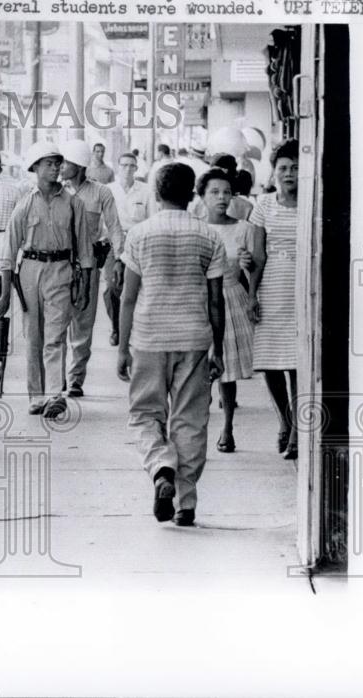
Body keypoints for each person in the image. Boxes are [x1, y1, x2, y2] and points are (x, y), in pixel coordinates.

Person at [117, 162, 226, 527]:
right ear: (192, 194)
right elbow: (216, 301)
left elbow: (128, 297)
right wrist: (219, 348)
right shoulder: (209, 236)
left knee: (146, 414)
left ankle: (160, 465)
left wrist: (121, 347)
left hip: (149, 337)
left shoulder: (139, 234)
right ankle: (186, 502)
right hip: (194, 337)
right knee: (190, 419)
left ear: (156, 194)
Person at [0, 141, 93, 418]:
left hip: (61, 271)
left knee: (55, 336)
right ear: (35, 167)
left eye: (58, 163)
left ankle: (53, 395)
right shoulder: (24, 204)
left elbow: (85, 249)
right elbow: (8, 251)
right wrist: (3, 294)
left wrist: (84, 286)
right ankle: (36, 397)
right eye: (49, 163)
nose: (56, 168)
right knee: (33, 337)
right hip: (29, 273)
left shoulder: (74, 204)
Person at [248, 139, 300, 460]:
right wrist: (251, 294)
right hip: (271, 285)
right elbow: (257, 254)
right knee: (270, 363)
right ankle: (285, 419)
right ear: (274, 171)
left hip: (301, 287)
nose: (289, 173)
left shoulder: (311, 201)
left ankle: (296, 431)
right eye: (283, 168)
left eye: (295, 168)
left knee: (297, 363)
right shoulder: (264, 205)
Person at [60, 139, 123, 397]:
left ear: (81, 165)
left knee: (83, 323)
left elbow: (115, 226)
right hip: (58, 264)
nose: (61, 168)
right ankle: (56, 378)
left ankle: (75, 378)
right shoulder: (55, 191)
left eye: (67, 163)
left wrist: (119, 258)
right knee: (56, 323)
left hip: (88, 266)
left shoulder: (101, 192)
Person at [198, 169, 255, 452]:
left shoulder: (243, 228)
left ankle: (227, 427)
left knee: (227, 371)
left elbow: (253, 271)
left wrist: (248, 263)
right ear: (202, 196)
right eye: (215, 192)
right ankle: (197, 430)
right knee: (198, 372)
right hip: (201, 301)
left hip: (231, 298)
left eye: (226, 192)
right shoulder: (197, 228)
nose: (222, 198)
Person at [104, 152, 157, 346]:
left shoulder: (145, 191)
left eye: (131, 166)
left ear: (136, 168)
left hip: (139, 243)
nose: (127, 169)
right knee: (112, 287)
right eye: (124, 165)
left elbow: (152, 219)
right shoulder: (108, 190)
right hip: (114, 243)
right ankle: (117, 328)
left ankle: (134, 328)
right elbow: (102, 222)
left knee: (137, 286)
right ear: (118, 167)